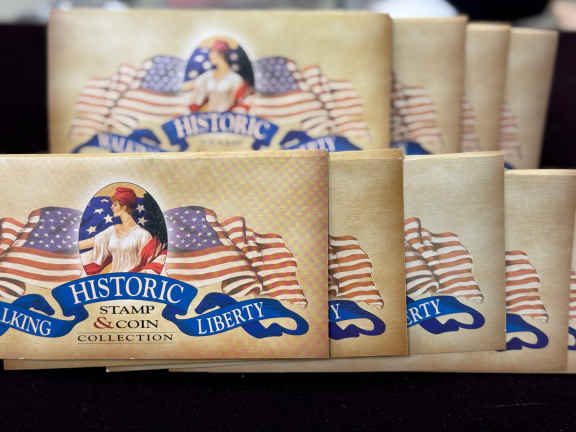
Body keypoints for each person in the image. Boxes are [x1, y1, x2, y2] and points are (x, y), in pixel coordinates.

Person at [79, 187, 161, 275]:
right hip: (112, 278)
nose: (111, 207)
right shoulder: (112, 230)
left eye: (115, 205)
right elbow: (93, 242)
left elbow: (146, 263)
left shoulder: (143, 235)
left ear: (124, 207)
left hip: (133, 278)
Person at [186, 39, 250, 113]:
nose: (209, 55)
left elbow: (238, 102)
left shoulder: (235, 79)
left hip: (227, 116)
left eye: (212, 52)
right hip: (208, 114)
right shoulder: (207, 76)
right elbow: (195, 91)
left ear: (221, 54)